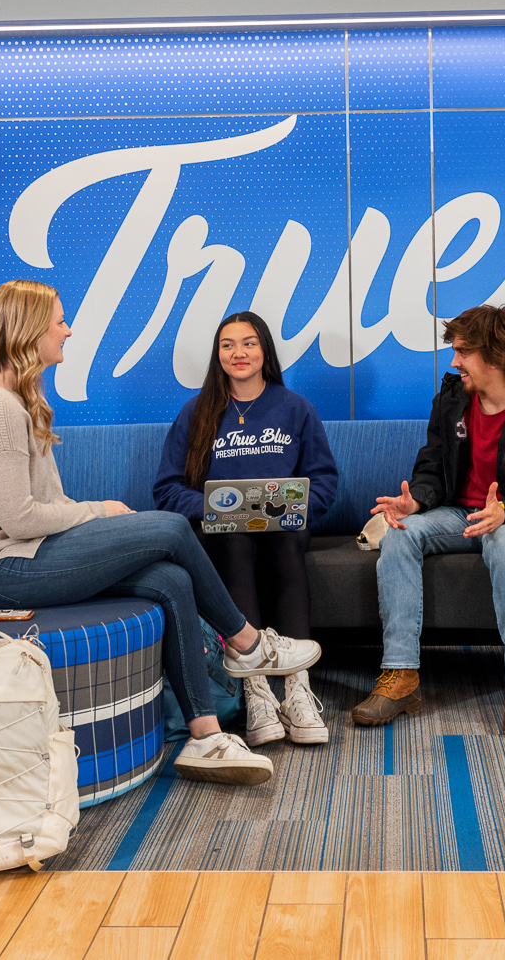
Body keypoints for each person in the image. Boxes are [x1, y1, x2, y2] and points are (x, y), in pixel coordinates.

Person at [0, 279, 322, 786]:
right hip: (1, 569)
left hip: (27, 554)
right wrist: (100, 512)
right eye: (59, 320)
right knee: (167, 528)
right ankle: (248, 644)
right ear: (30, 329)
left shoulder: (19, 401)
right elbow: (19, 520)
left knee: (170, 580)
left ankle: (205, 737)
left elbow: (43, 508)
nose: (67, 330)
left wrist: (90, 513)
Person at [354, 304, 505, 736]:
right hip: (460, 513)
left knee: (502, 539)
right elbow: (431, 468)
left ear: (496, 356)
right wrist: (416, 503)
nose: (455, 361)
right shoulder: (452, 401)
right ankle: (401, 675)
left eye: (463, 352)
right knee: (399, 534)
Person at [154, 310, 339, 748]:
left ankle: (297, 688)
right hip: (218, 533)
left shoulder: (295, 408)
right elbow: (166, 489)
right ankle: (256, 692)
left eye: (249, 343)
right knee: (233, 538)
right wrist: (215, 509)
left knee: (286, 539)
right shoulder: (197, 411)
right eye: (228, 345)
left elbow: (325, 481)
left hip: (282, 528)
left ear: (265, 351)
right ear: (218, 355)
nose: (239, 353)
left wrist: (297, 509)